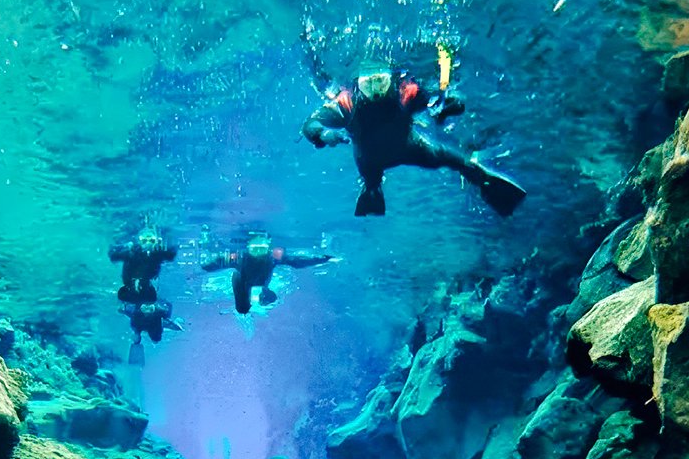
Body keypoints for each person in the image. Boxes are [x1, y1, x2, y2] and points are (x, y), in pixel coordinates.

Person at [301, 60, 526, 218]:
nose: (375, 89)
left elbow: (436, 98)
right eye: (368, 83)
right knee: (371, 181)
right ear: (358, 82)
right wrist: (323, 134)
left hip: (412, 146)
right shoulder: (347, 103)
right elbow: (310, 124)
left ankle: (483, 180)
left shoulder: (405, 91)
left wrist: (449, 104)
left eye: (380, 81)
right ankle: (372, 190)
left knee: (456, 160)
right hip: (371, 160)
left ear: (390, 78)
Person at [201, 231, 333, 314]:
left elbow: (297, 261)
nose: (258, 251)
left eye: (261, 248)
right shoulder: (262, 259)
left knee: (242, 307)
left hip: (246, 279)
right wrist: (321, 259)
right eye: (255, 248)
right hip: (247, 279)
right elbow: (297, 262)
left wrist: (207, 267)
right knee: (242, 307)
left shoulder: (249, 259)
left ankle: (250, 297)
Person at [109, 225, 177, 303]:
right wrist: (122, 247)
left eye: (151, 241)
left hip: (143, 287)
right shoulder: (132, 253)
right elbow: (114, 257)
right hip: (133, 286)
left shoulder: (157, 254)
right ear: (139, 241)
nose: (148, 243)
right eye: (144, 241)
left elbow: (171, 255)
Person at [119, 298, 182, 365]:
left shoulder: (158, 314)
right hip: (145, 322)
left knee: (144, 336)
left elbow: (168, 311)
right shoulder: (159, 314)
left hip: (145, 322)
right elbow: (168, 311)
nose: (147, 311)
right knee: (147, 336)